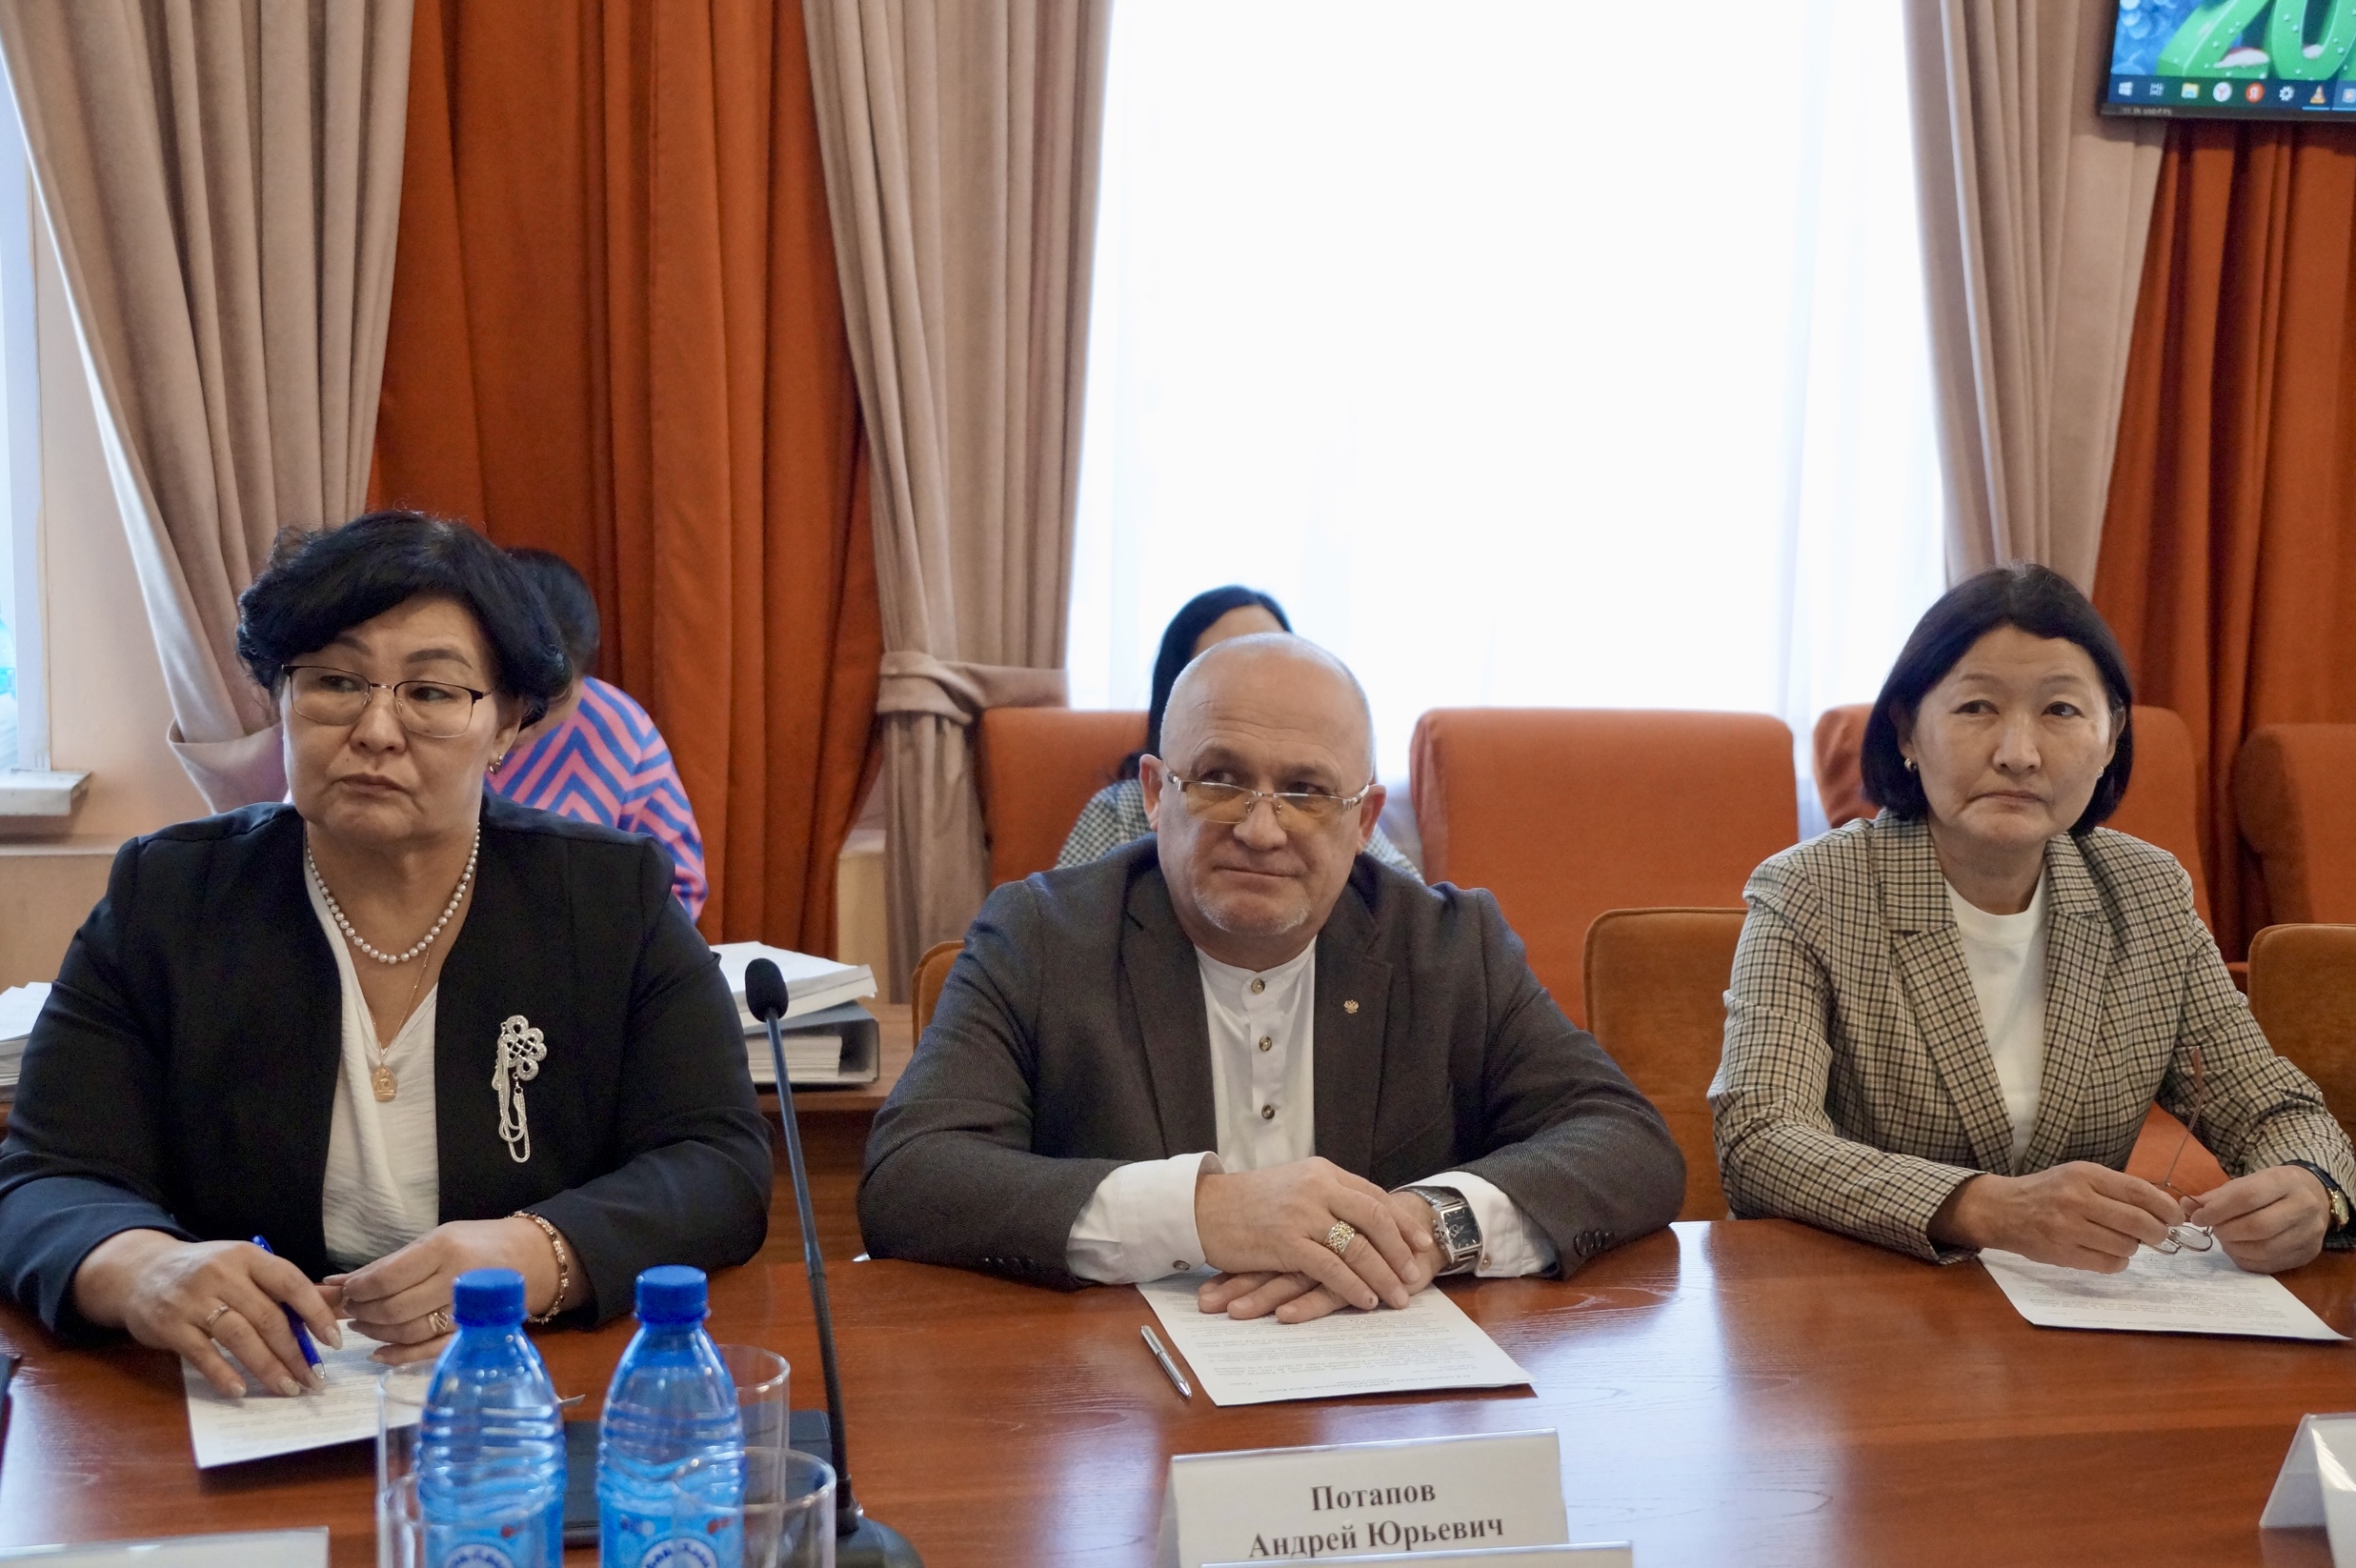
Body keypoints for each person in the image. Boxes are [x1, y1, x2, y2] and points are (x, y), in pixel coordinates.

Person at [0, 513, 770, 1399]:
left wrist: (540, 1253)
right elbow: (48, 1175)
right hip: (248, 1395)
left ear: (508, 726)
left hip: (530, 1390)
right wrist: (138, 1266)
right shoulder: (171, 899)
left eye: (432, 693)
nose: (375, 729)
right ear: (281, 697)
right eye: (334, 681)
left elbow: (717, 1162)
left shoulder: (608, 899)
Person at [862, 633, 1683, 1323]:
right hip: (1119, 1397)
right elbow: (911, 1177)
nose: (1261, 829)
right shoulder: (1041, 936)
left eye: (1306, 791)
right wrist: (1203, 1213)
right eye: (1221, 780)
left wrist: (1426, 1227)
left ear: (1363, 820)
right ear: (1155, 794)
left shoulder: (1446, 946)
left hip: (1382, 1397)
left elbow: (1625, 1141)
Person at [1712, 563, 2356, 1273]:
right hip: (1864, 1300)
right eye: (1975, 708)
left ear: (2110, 737)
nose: (2017, 754)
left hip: (2080, 1311)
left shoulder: (2145, 891)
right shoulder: (1813, 890)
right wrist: (1983, 1208)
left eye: (2060, 711)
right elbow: (1758, 1139)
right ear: (1906, 731)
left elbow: (2272, 1108)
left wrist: (2311, 1188)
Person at [1058, 586, 1422, 879]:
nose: (1261, 833)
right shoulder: (1120, 812)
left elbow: (1409, 913)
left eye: (1276, 655)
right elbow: (1064, 919)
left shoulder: (1335, 807)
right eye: (1220, 780)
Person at [488, 549, 709, 920]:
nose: (521, 720)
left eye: (549, 702)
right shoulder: (426, 719)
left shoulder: (621, 730)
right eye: (509, 691)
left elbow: (677, 884)